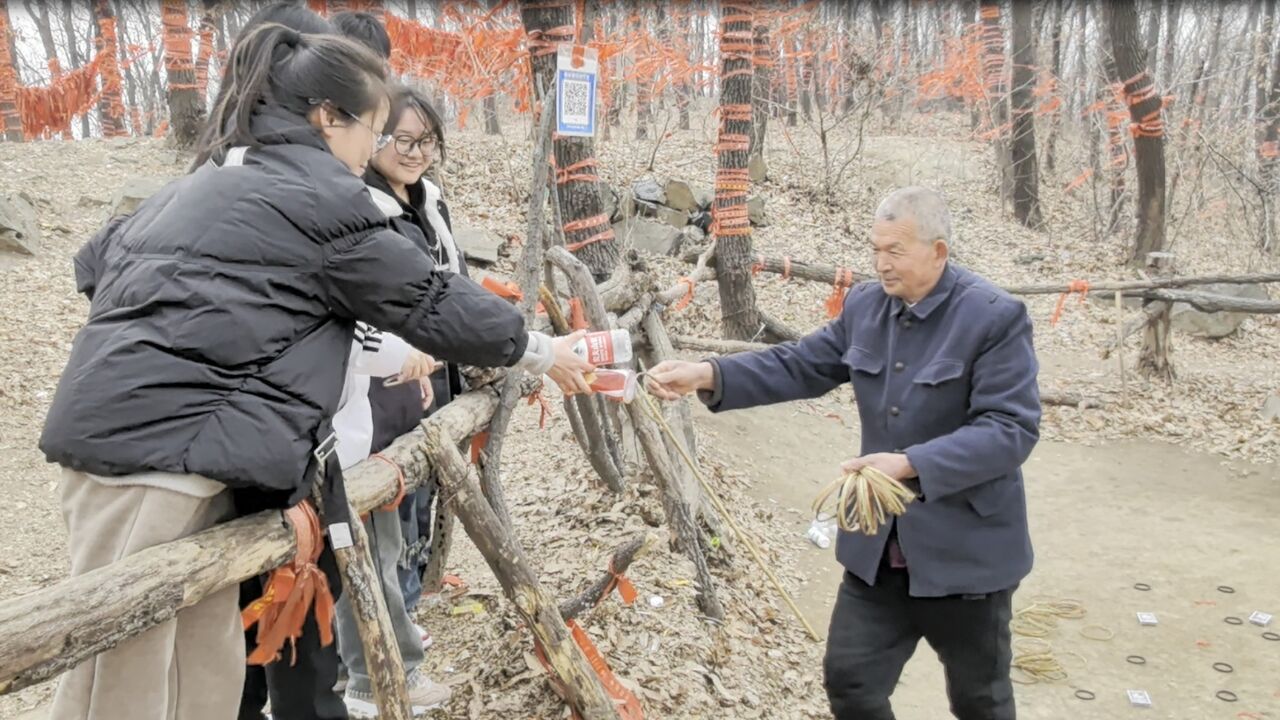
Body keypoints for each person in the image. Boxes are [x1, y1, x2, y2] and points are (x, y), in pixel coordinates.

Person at [39, 21, 592, 720]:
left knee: (198, 661)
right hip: (155, 454)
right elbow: (429, 299)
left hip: (161, 443)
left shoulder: (212, 181)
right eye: (373, 129)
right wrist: (542, 351)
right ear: (327, 118)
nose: (374, 149)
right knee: (124, 676)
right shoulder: (320, 201)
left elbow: (95, 265)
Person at [646, 186, 1040, 720]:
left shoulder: (993, 317)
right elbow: (800, 364)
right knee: (850, 683)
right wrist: (708, 374)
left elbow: (1010, 428)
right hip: (878, 550)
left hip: (966, 558)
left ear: (938, 251)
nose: (880, 263)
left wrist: (909, 465)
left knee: (980, 701)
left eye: (894, 251)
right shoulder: (866, 306)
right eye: (875, 248)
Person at [360, 85, 457, 618]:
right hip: (385, 387)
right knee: (391, 508)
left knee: (420, 502)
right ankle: (394, 632)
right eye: (403, 139)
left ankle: (410, 614)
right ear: (374, 138)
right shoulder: (363, 206)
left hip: (435, 378)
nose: (416, 152)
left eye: (427, 141)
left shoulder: (431, 200)